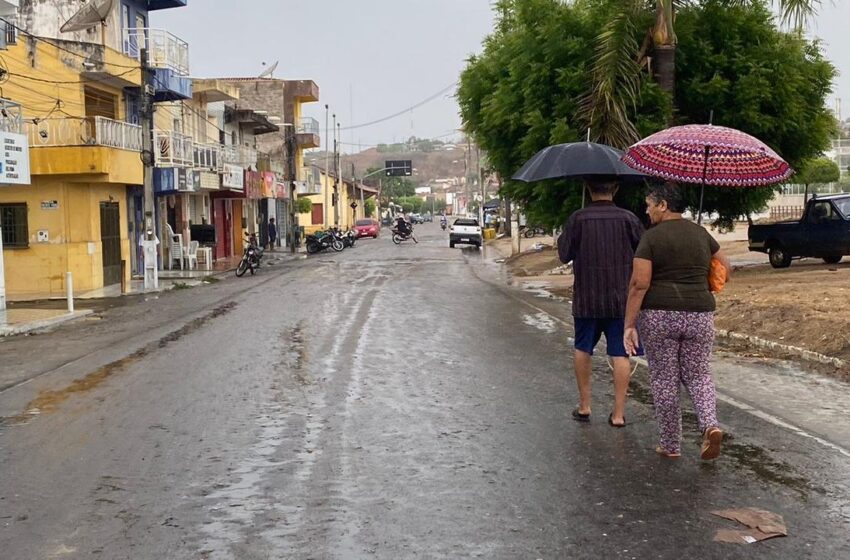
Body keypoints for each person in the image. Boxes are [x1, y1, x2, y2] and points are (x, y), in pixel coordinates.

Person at [623, 182, 731, 460]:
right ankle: (710, 425)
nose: (647, 212)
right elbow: (725, 269)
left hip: (660, 316)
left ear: (663, 205)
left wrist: (629, 324)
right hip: (700, 314)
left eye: (649, 205)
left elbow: (639, 283)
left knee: (665, 380)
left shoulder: (651, 238)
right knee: (699, 375)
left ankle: (671, 445)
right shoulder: (701, 233)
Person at [557, 181, 644, 427]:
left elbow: (564, 254)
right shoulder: (629, 219)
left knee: (582, 348)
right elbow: (644, 253)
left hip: (587, 299)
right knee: (620, 353)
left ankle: (585, 406)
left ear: (588, 189)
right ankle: (618, 415)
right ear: (615, 189)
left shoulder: (578, 219)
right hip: (621, 301)